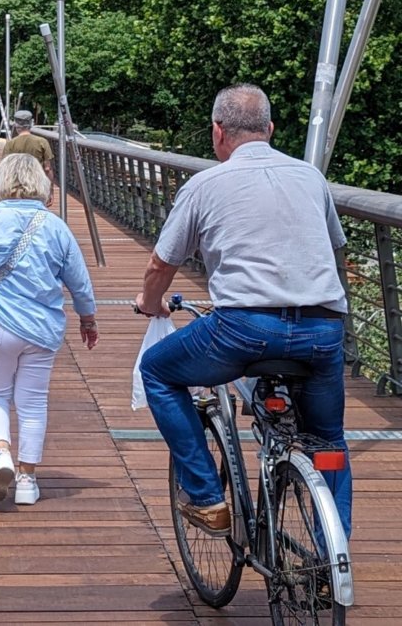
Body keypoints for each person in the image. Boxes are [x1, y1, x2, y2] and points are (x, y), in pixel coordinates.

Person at [135, 84, 351, 538]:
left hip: (243, 330)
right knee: (328, 441)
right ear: (270, 129)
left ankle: (207, 497)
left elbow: (161, 264)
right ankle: (331, 556)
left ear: (217, 132)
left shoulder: (205, 185)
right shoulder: (311, 177)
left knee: (157, 370)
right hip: (322, 329)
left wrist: (150, 304)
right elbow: (336, 251)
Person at [0, 153, 98, 507]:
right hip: (41, 328)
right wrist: (87, 319)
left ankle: (0, 453)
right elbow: (79, 281)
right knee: (33, 401)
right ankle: (27, 479)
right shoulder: (56, 226)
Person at [0, 110, 53, 179]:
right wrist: (50, 184)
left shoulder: (10, 144)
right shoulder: (42, 142)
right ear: (31, 124)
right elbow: (47, 168)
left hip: (17, 180)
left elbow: (5, 167)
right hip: (37, 180)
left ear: (16, 126)